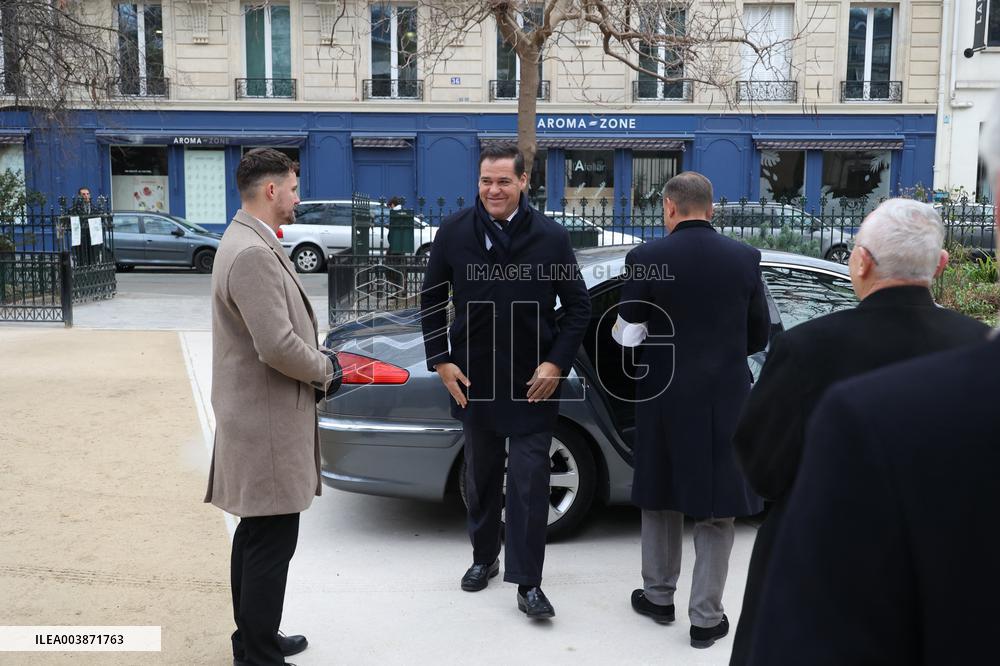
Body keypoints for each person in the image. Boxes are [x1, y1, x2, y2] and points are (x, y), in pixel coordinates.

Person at [743, 92, 1000, 665]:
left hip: (816, 567)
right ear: (940, 267)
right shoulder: (977, 346)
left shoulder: (807, 347)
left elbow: (760, 464)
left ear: (859, 263)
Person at [420, 143, 590, 619]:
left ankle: (528, 584)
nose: (493, 190)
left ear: (522, 183)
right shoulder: (452, 233)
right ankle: (483, 558)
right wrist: (441, 361)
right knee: (481, 478)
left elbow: (578, 308)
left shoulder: (551, 238)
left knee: (530, 484)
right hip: (473, 381)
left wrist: (556, 363)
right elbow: (431, 301)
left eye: (502, 181)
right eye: (485, 181)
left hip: (533, 384)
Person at [613, 171, 770, 649]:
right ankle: (706, 619)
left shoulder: (647, 258)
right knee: (717, 508)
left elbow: (626, 333)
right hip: (725, 396)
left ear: (668, 208)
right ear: (712, 208)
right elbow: (759, 336)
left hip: (664, 397)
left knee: (660, 497)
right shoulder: (745, 258)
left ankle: (658, 598)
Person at [205, 148, 341, 666]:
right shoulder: (252, 252)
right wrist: (327, 368)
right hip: (265, 419)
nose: (297, 197)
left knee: (259, 533)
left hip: (259, 413)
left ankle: (254, 635)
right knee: (271, 539)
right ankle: (258, 652)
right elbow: (278, 345)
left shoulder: (246, 239)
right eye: (293, 187)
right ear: (270, 191)